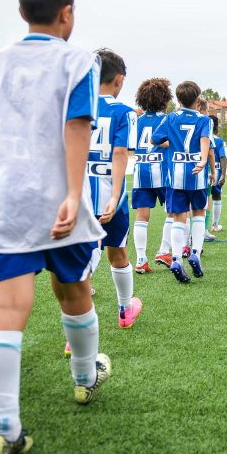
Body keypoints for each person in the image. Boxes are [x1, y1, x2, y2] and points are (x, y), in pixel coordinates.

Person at [0, 0, 112, 454]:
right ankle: (84, 377)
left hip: (4, 198)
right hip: (56, 198)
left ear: (22, 10)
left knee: (6, 307)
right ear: (67, 12)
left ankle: (3, 428)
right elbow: (77, 124)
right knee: (74, 288)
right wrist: (73, 193)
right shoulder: (78, 60)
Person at [86, 49, 141, 328]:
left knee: (87, 251)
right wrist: (115, 196)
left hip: (79, 190)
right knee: (116, 250)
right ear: (119, 80)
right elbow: (120, 153)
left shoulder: (75, 105)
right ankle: (123, 310)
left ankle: (79, 324)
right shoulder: (123, 112)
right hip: (109, 190)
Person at [151, 81, 213, 283]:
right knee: (199, 214)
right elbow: (205, 141)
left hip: (175, 176)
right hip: (197, 175)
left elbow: (154, 139)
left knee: (178, 217)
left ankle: (176, 258)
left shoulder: (170, 118)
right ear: (198, 100)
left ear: (178, 100)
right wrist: (203, 160)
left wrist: (173, 145)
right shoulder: (204, 120)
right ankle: (195, 252)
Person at [131, 78, 173, 274]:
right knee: (172, 211)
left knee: (141, 215)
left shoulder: (136, 121)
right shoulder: (166, 119)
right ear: (165, 98)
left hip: (141, 170)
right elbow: (170, 142)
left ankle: (140, 259)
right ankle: (164, 250)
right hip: (162, 170)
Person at [209, 116, 227, 234]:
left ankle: (199, 226)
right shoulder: (219, 141)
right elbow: (223, 157)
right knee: (216, 196)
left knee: (203, 199)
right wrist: (224, 175)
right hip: (215, 171)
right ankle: (214, 225)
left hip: (202, 172)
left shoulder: (200, 138)